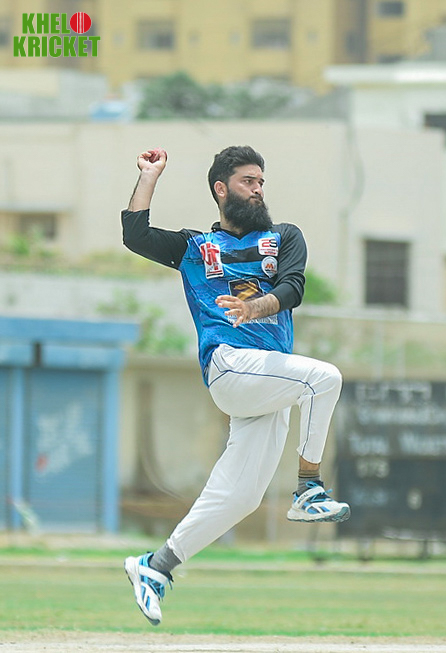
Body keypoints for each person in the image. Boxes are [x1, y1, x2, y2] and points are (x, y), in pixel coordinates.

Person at [121, 145, 350, 626]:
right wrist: (149, 176)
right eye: (248, 181)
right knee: (324, 379)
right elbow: (135, 236)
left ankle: (155, 566)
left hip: (269, 378)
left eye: (262, 181)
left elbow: (292, 288)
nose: (258, 189)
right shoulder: (195, 247)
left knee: (242, 496)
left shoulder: (284, 236)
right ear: (221, 189)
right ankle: (309, 487)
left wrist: (255, 307)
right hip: (229, 365)